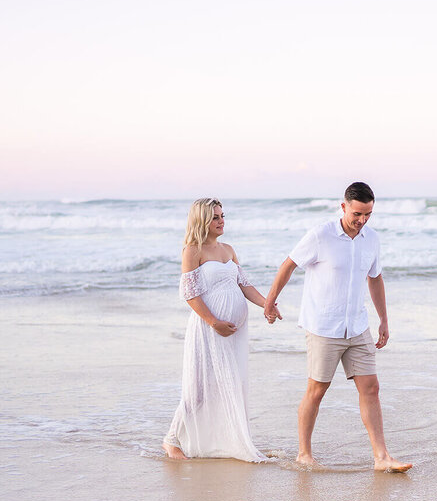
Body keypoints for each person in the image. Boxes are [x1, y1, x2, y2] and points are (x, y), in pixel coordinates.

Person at [264, 182, 412, 473]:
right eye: (357, 213)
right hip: (323, 325)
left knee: (371, 388)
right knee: (317, 390)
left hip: (357, 325)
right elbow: (289, 264)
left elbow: (375, 278)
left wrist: (383, 319)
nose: (362, 220)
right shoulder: (321, 235)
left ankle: (381, 457)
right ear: (343, 206)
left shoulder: (372, 239)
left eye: (368, 214)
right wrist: (270, 301)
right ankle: (304, 453)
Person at [163, 198, 268, 462]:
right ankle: (171, 440)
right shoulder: (192, 251)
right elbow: (189, 294)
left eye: (223, 216)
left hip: (233, 333)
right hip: (208, 329)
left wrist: (267, 304)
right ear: (202, 221)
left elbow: (244, 285)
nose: (221, 221)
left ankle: (225, 440)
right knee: (199, 388)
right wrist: (214, 322)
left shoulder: (229, 249)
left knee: (227, 383)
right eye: (215, 217)